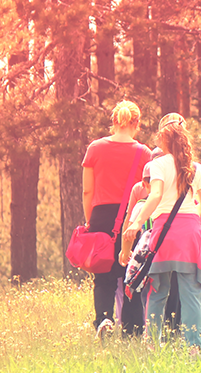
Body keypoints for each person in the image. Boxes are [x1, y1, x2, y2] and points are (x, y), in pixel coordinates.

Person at [120, 119, 201, 351]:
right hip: (190, 233)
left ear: (165, 140)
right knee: (191, 292)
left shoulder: (159, 164)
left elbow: (155, 195)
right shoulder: (196, 168)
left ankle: (152, 344)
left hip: (164, 234)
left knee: (158, 291)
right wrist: (194, 215)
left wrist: (137, 222)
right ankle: (193, 347)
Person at [82, 100, 152, 338]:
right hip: (132, 216)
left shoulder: (95, 148)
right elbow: (147, 191)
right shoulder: (144, 153)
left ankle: (103, 318)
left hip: (101, 215)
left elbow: (87, 192)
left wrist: (90, 221)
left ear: (113, 122)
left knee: (103, 275)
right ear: (137, 124)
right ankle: (132, 331)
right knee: (131, 274)